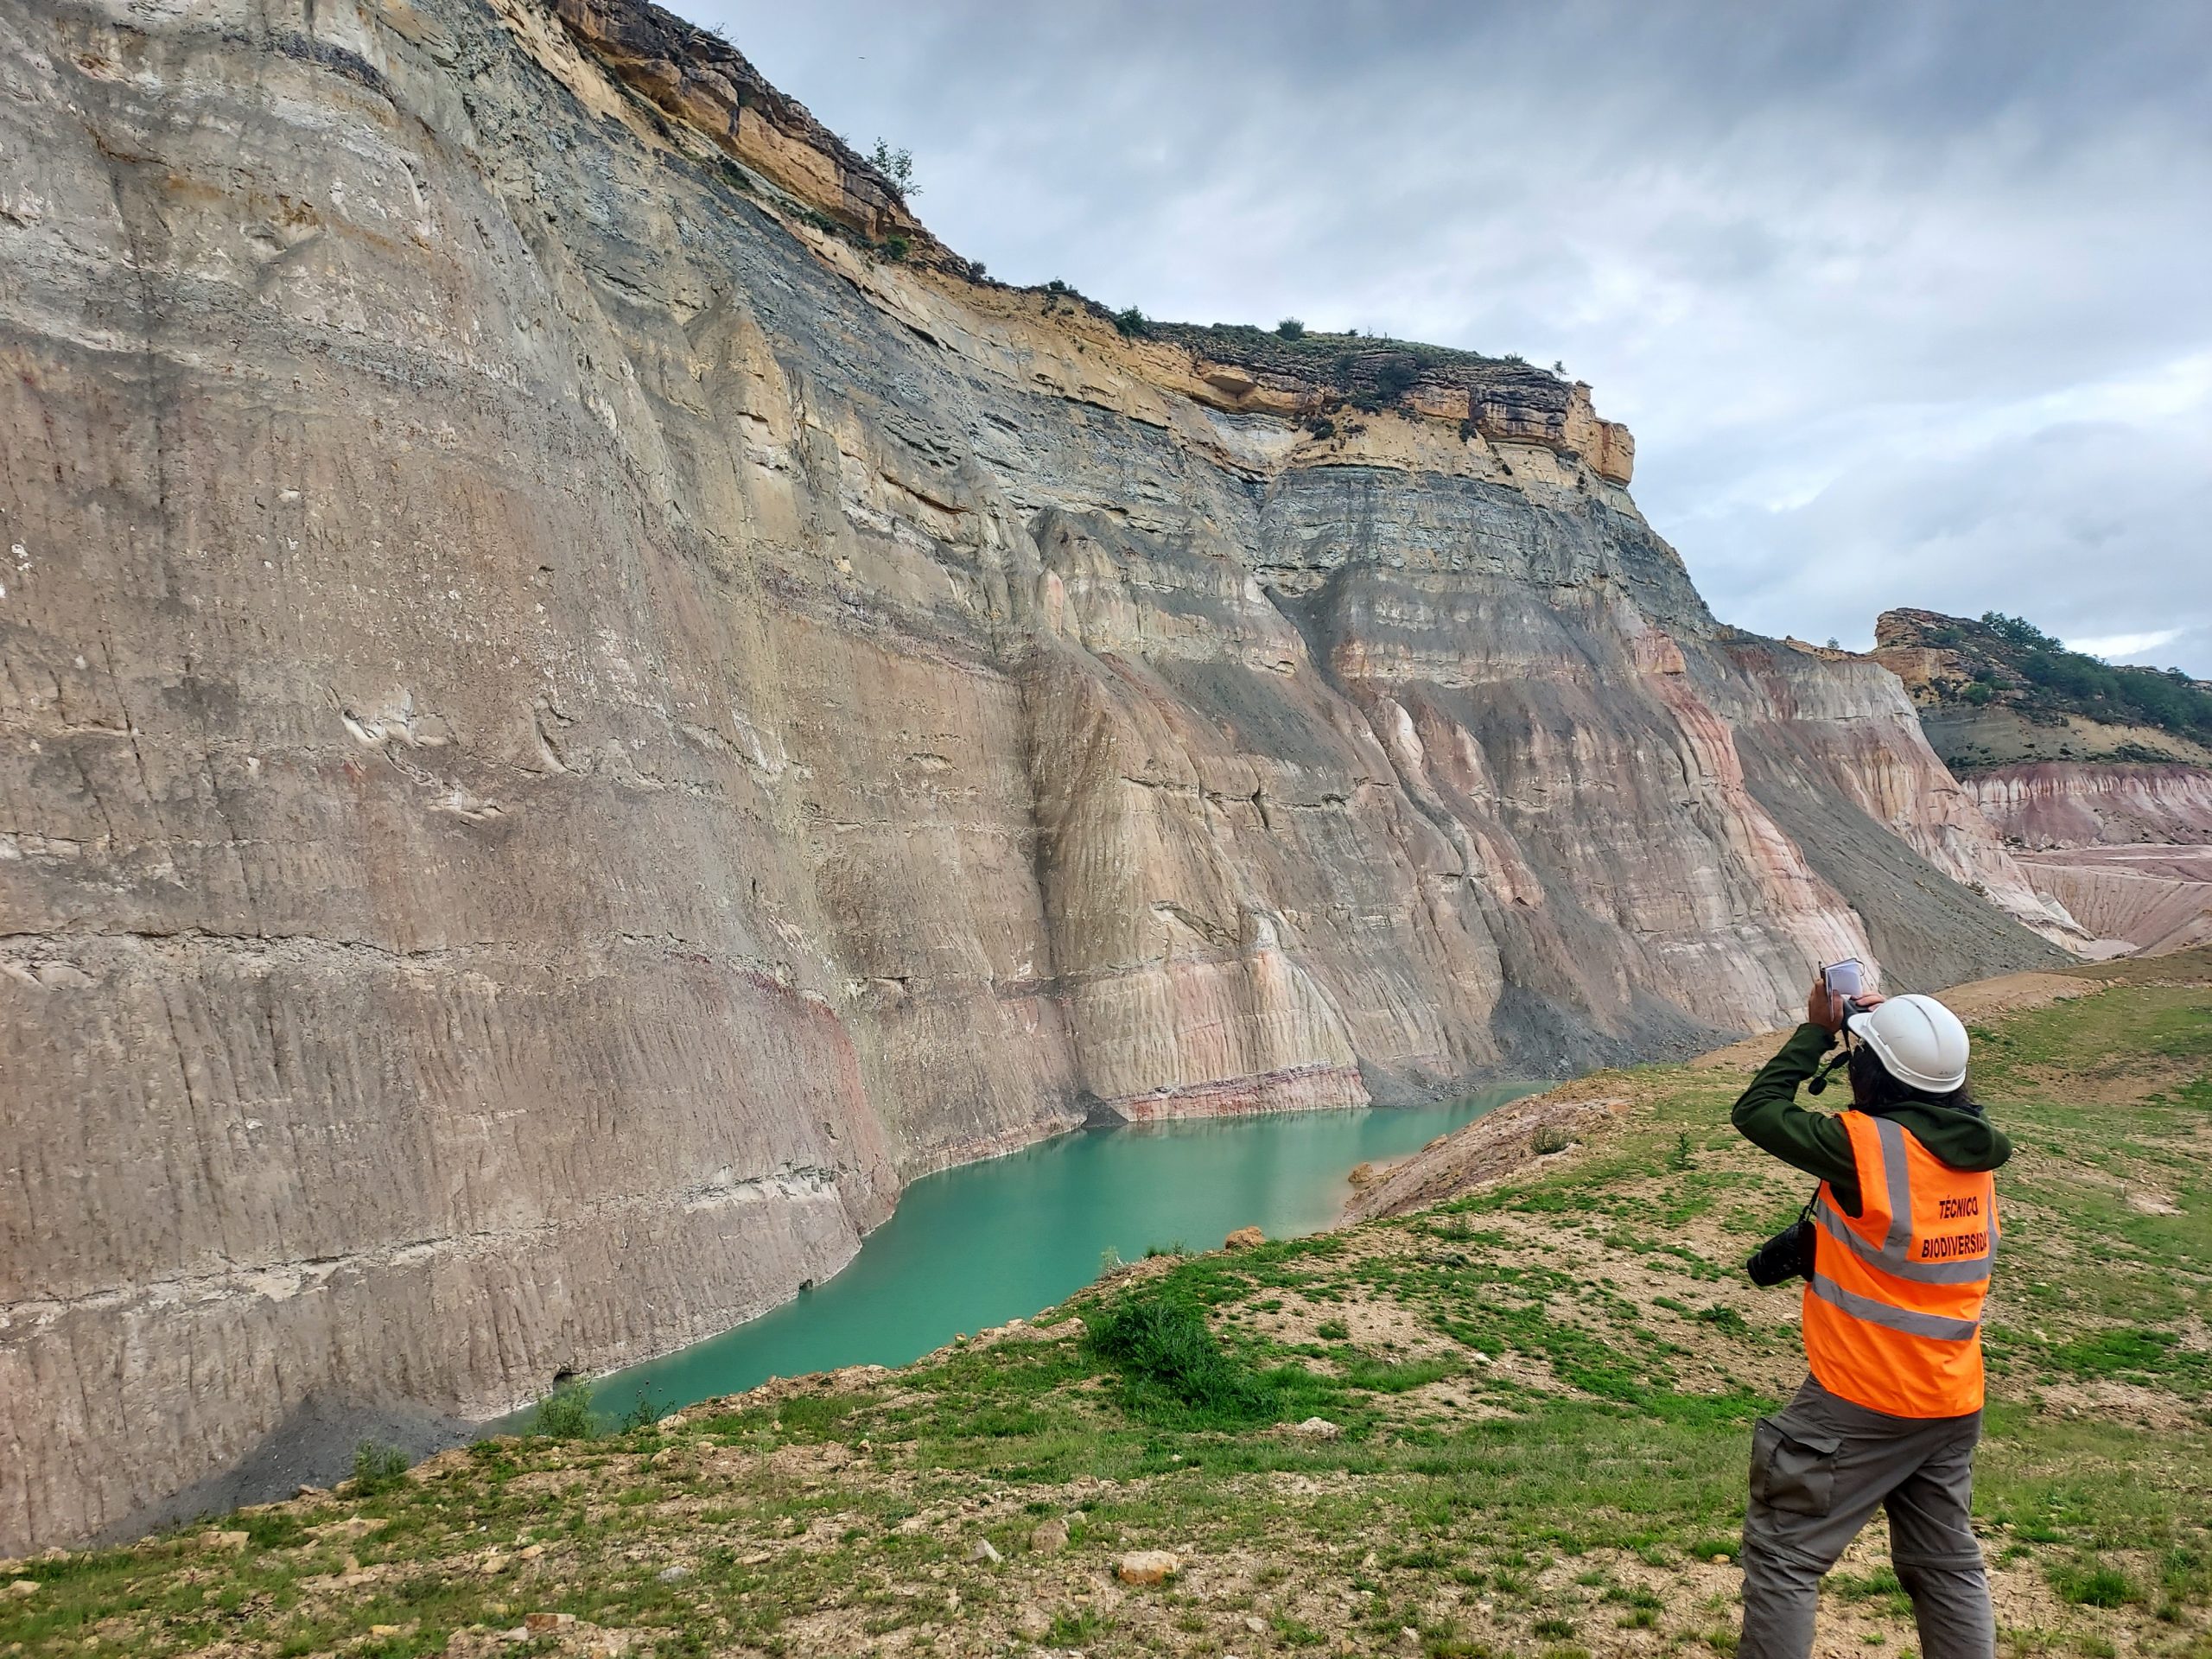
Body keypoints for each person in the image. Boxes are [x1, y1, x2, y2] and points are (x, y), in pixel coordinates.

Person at [1727, 974, 2011, 1659]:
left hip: (1861, 1398)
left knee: (1785, 1556)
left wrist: (1819, 1031)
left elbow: (1758, 1110)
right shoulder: (1971, 1154)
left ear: (1870, 1071)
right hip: (1949, 1398)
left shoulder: (1868, 1149)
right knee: (1945, 1566)